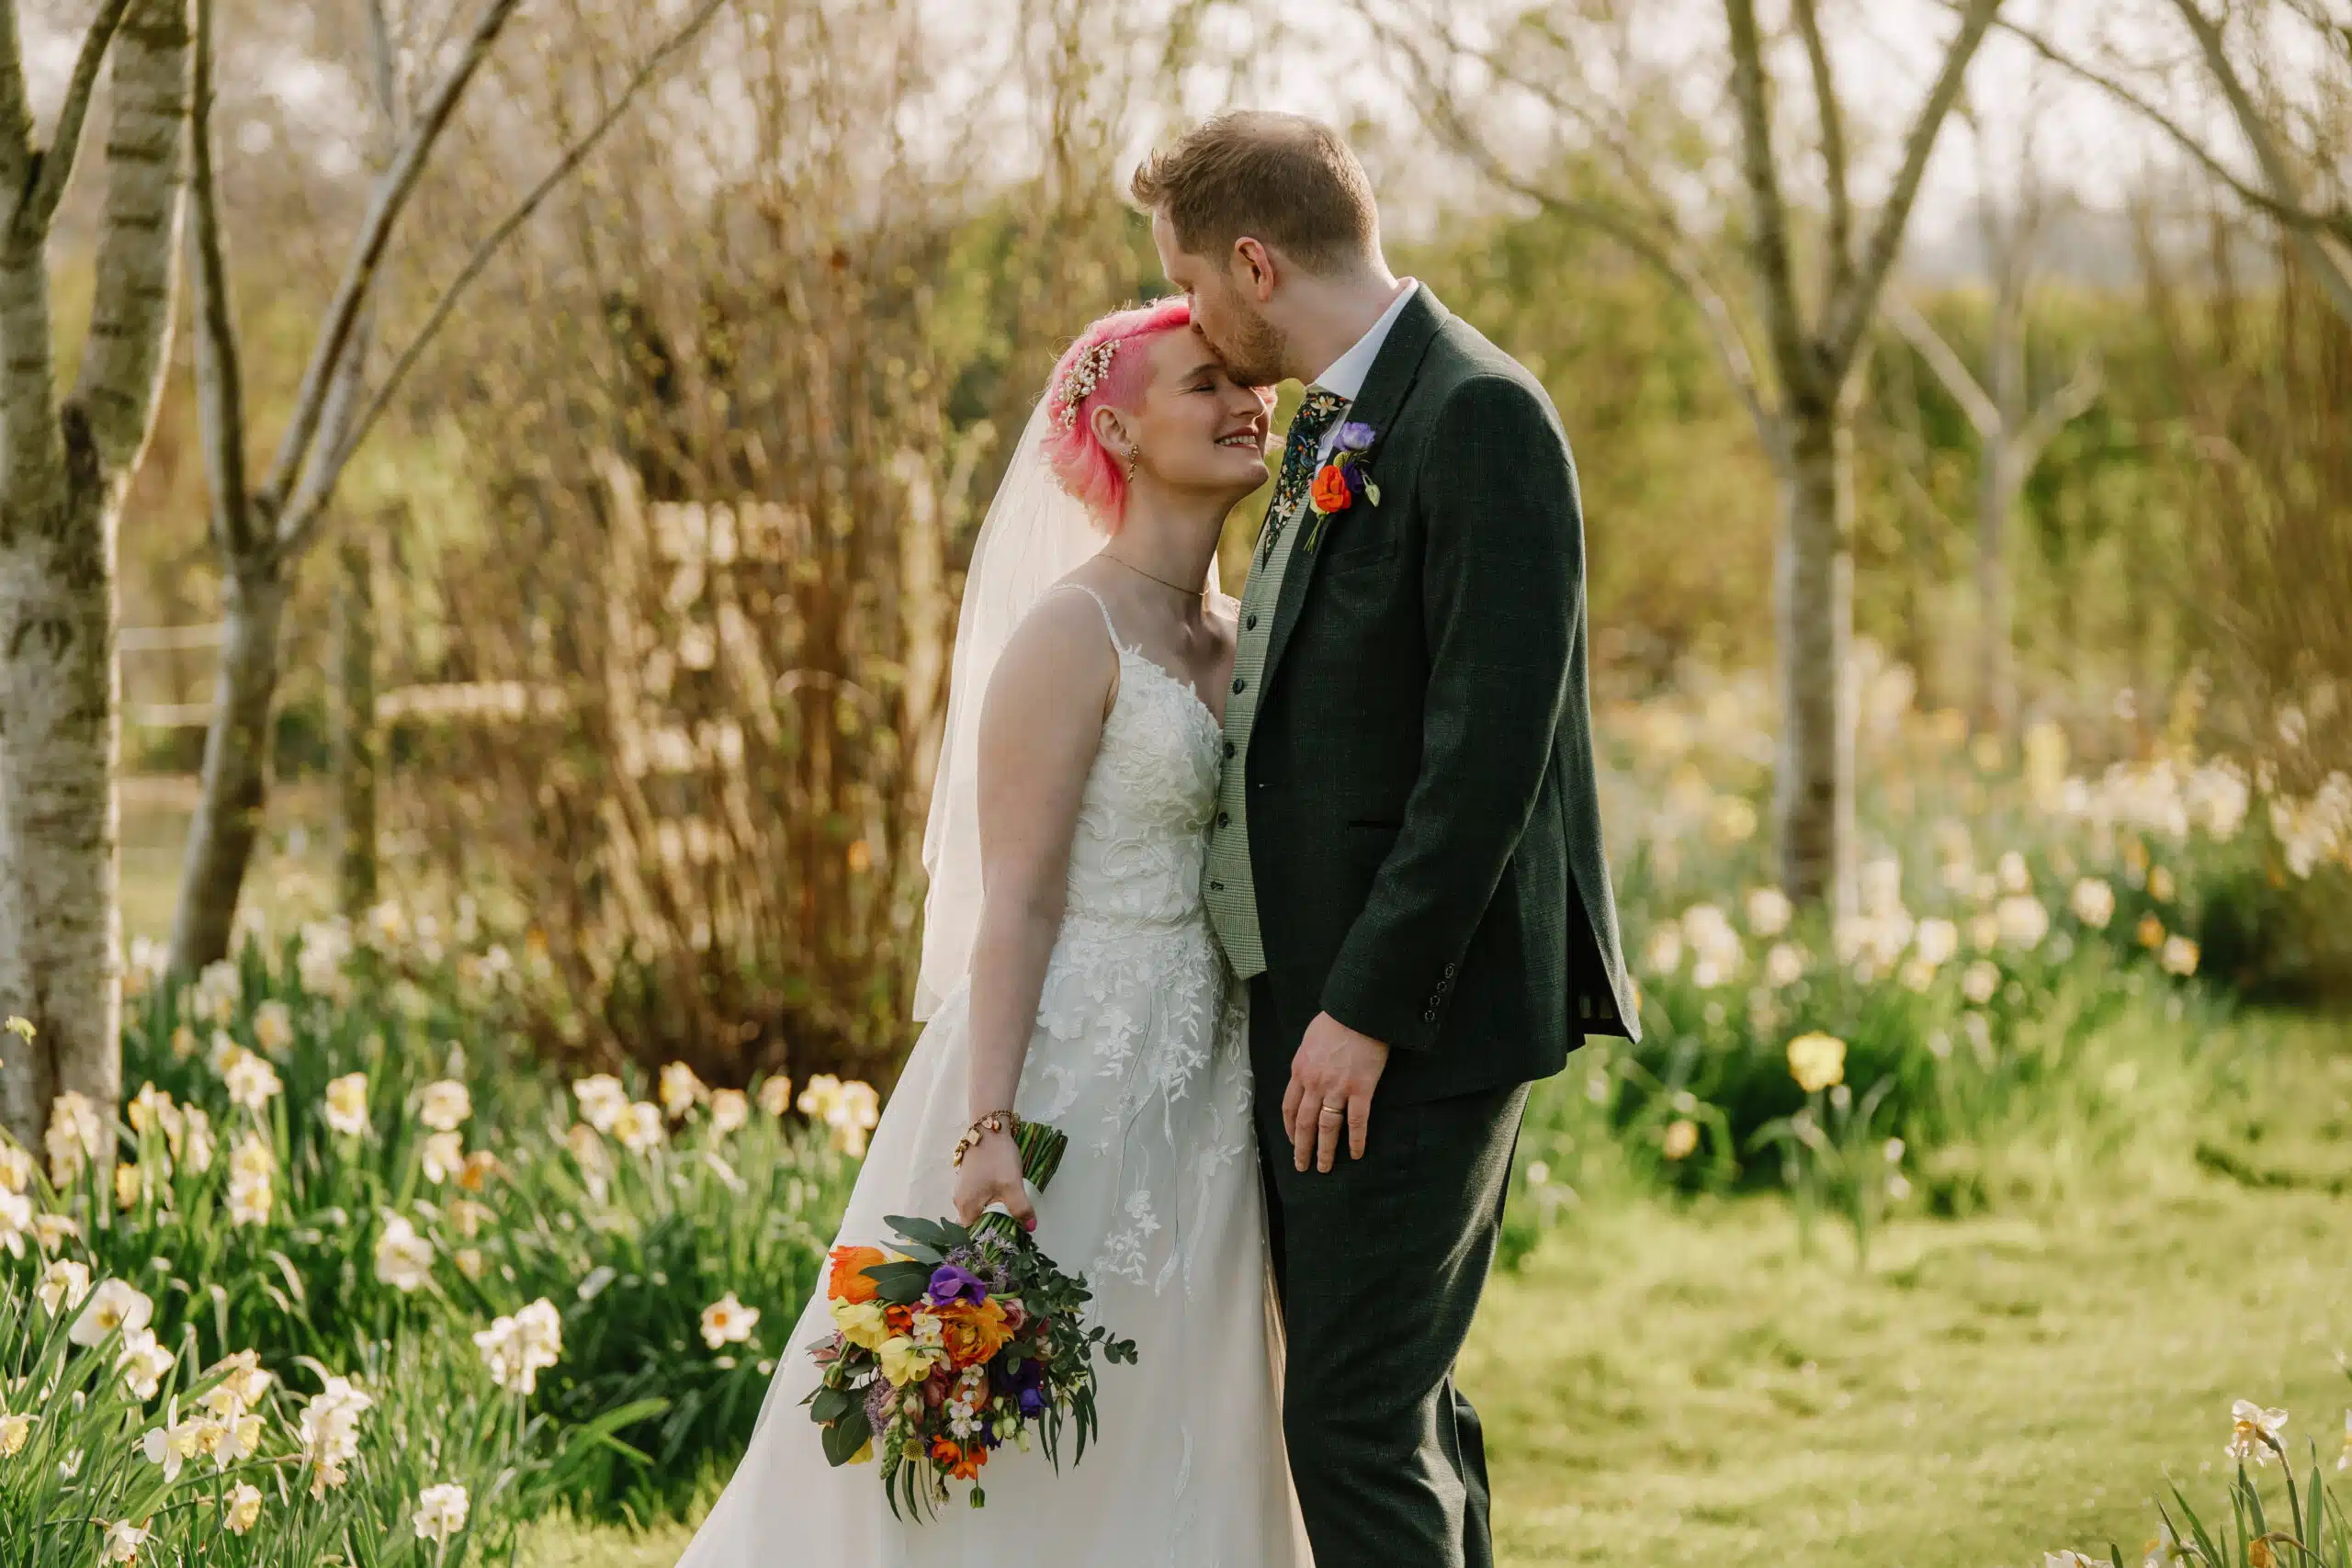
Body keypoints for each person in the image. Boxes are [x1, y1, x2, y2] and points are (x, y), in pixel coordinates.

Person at [673, 296, 1313, 1565]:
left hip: (1209, 1088)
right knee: (1028, 1434)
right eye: (1207, 385)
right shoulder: (1070, 634)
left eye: (1253, 385)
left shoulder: (1247, 634)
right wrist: (987, 1130)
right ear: (1117, 429)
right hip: (1064, 1079)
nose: (1253, 404)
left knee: (1179, 1408)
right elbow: (1012, 899)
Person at [1133, 110, 1638, 1568]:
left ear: (1254, 260)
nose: (1194, 324)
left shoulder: (1477, 413)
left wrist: (1360, 1007)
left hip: (1411, 1020)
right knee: (1397, 1404)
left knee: (1347, 1422)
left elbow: (1488, 756)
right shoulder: (1338, 416)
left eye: (1191, 283)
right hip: (1326, 1013)